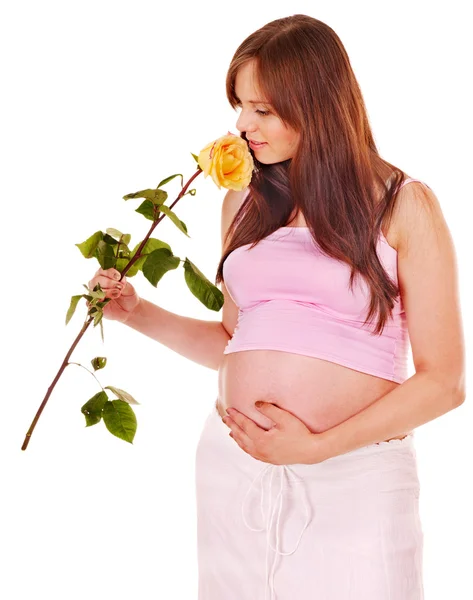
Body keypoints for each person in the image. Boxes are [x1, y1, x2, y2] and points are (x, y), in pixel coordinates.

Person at [88, 14, 465, 600]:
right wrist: (138, 313)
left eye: (262, 109)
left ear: (315, 103)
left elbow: (444, 382)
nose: (242, 126)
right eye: (239, 105)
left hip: (356, 474)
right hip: (234, 470)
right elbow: (234, 342)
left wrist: (314, 447)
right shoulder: (244, 199)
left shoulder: (403, 204)